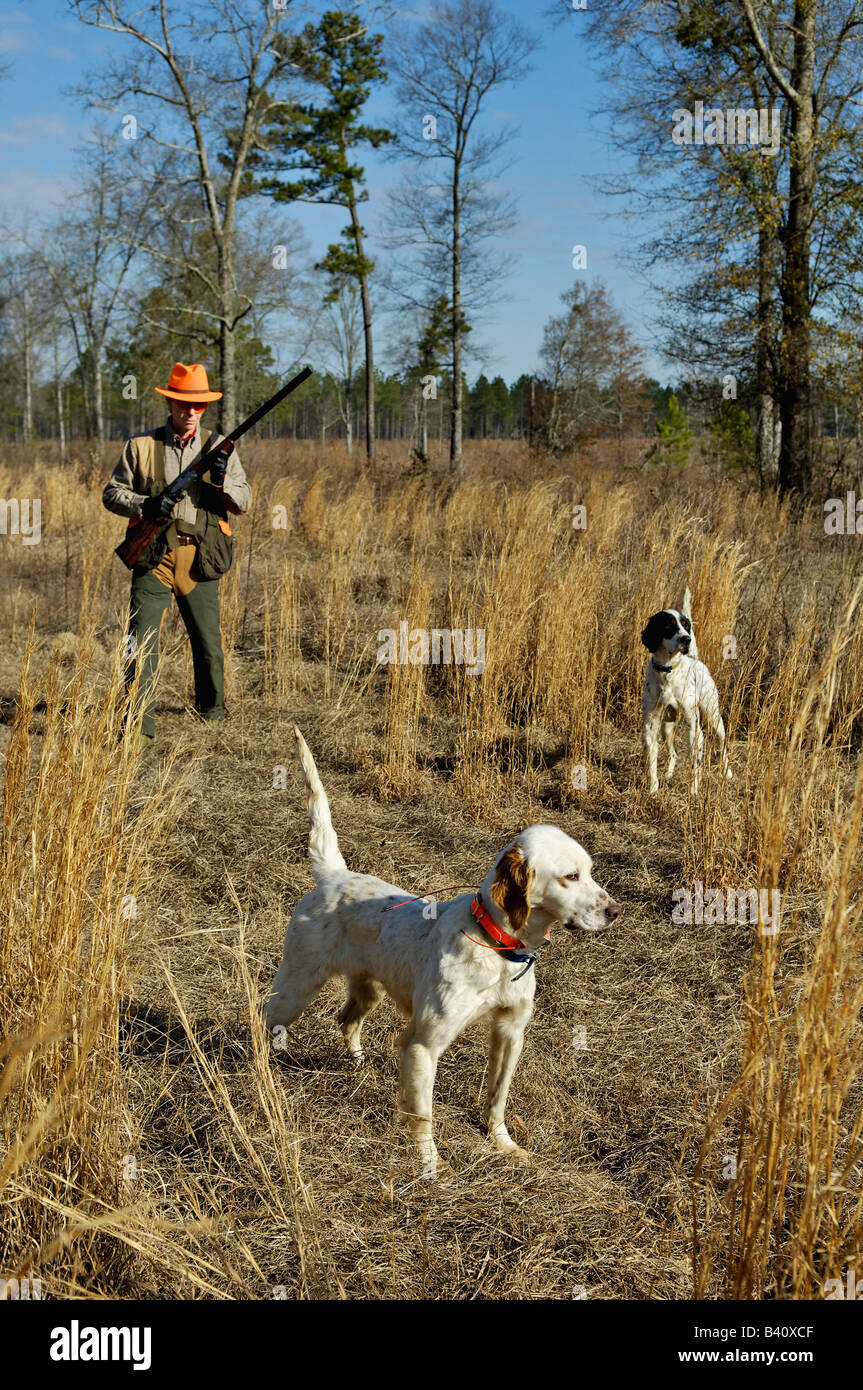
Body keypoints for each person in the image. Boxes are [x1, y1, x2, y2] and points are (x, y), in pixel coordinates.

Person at [103, 362, 251, 749]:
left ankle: (212, 713)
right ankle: (137, 724)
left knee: (208, 643)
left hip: (200, 559)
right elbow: (111, 493)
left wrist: (219, 480)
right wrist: (146, 505)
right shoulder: (140, 446)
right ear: (170, 401)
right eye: (183, 404)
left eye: (198, 405)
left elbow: (244, 501)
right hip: (153, 557)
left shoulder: (219, 448)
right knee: (139, 641)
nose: (190, 412)